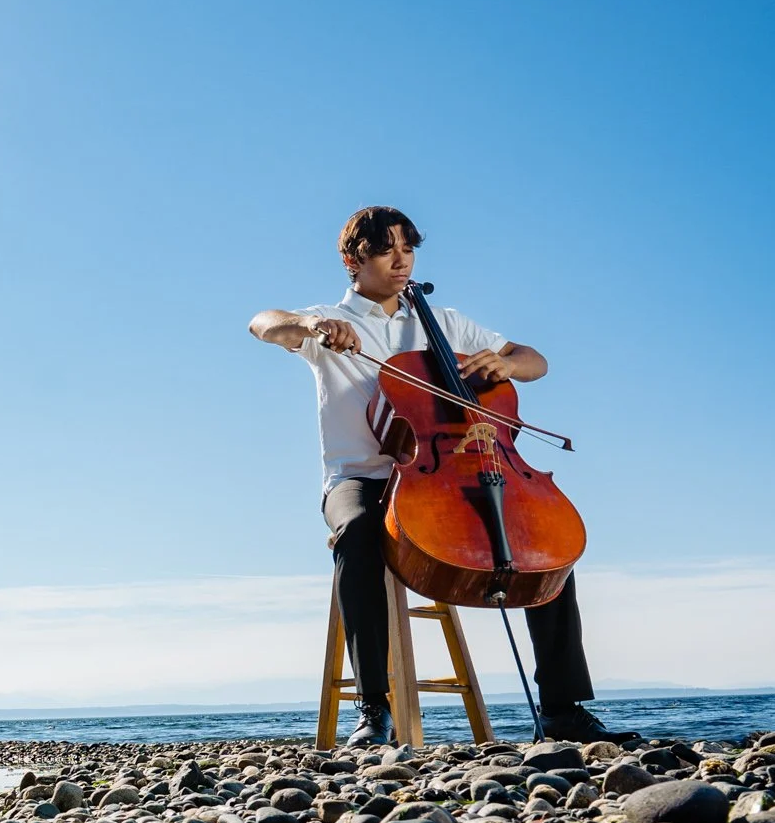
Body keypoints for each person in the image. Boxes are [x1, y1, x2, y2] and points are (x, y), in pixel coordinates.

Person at [249, 205, 618, 746]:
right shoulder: (329, 321)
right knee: (356, 533)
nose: (401, 260)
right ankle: (374, 709)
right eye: (385, 250)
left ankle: (562, 708)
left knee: (544, 542)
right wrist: (310, 326)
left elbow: (534, 359)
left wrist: (507, 366)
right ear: (354, 260)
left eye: (408, 248)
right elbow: (263, 323)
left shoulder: (444, 323)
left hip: (457, 470)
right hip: (362, 477)